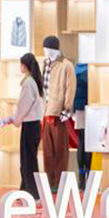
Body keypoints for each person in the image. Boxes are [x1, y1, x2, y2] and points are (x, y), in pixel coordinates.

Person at [6, 53, 46, 200]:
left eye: (21, 64)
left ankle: (33, 194)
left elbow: (23, 105)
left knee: (28, 162)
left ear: (25, 66)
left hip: (30, 126)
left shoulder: (28, 83)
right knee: (28, 160)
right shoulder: (34, 82)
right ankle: (25, 191)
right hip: (34, 125)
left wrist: (16, 120)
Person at [41, 36, 76, 192]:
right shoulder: (45, 63)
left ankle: (59, 182)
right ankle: (49, 181)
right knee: (47, 151)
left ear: (54, 49)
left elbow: (70, 88)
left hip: (58, 113)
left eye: (47, 49)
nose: (45, 51)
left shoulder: (66, 65)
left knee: (61, 151)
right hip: (45, 111)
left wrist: (66, 110)